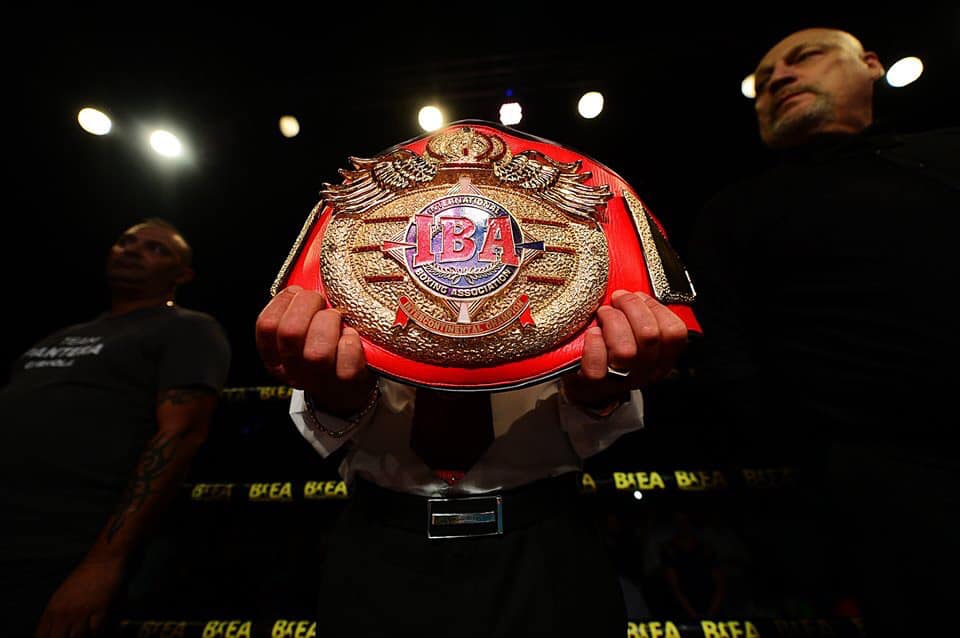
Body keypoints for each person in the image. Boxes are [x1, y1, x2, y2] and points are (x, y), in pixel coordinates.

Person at [687, 28, 958, 636]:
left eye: (803, 58)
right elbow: (726, 357)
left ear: (871, 64)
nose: (778, 78)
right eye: (763, 80)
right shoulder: (733, 211)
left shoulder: (947, 155)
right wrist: (821, 466)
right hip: (882, 490)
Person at [256, 284, 690, 637]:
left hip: (547, 546)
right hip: (380, 544)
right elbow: (328, 413)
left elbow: (600, 422)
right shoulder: (350, 231)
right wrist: (334, 396)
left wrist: (599, 391)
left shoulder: (576, 232)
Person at [0, 219, 231, 637]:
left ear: (182, 274)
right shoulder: (58, 336)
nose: (133, 250)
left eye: (156, 248)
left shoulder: (189, 327)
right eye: (126, 242)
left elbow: (180, 435)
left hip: (67, 548)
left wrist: (103, 563)